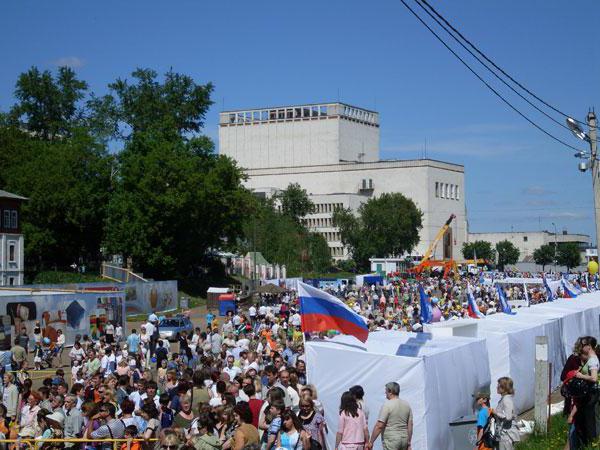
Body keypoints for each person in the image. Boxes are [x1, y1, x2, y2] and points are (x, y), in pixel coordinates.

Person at [368, 382, 412, 450]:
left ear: (390, 391)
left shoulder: (387, 405)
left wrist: (371, 442)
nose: (385, 392)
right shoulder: (407, 405)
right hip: (404, 439)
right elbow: (410, 425)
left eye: (386, 390)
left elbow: (379, 426)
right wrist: (409, 442)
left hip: (391, 439)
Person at [574, 336, 600, 444]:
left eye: (583, 345)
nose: (581, 347)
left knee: (590, 421)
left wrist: (580, 375)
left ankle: (591, 443)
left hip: (591, 395)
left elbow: (594, 378)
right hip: (589, 395)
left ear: (589, 347)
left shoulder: (592, 360)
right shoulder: (590, 359)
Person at [492, 377, 520, 450]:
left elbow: (508, 417)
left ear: (504, 388)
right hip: (503, 433)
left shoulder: (506, 399)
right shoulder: (504, 398)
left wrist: (496, 413)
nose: (497, 387)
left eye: (499, 385)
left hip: (506, 434)